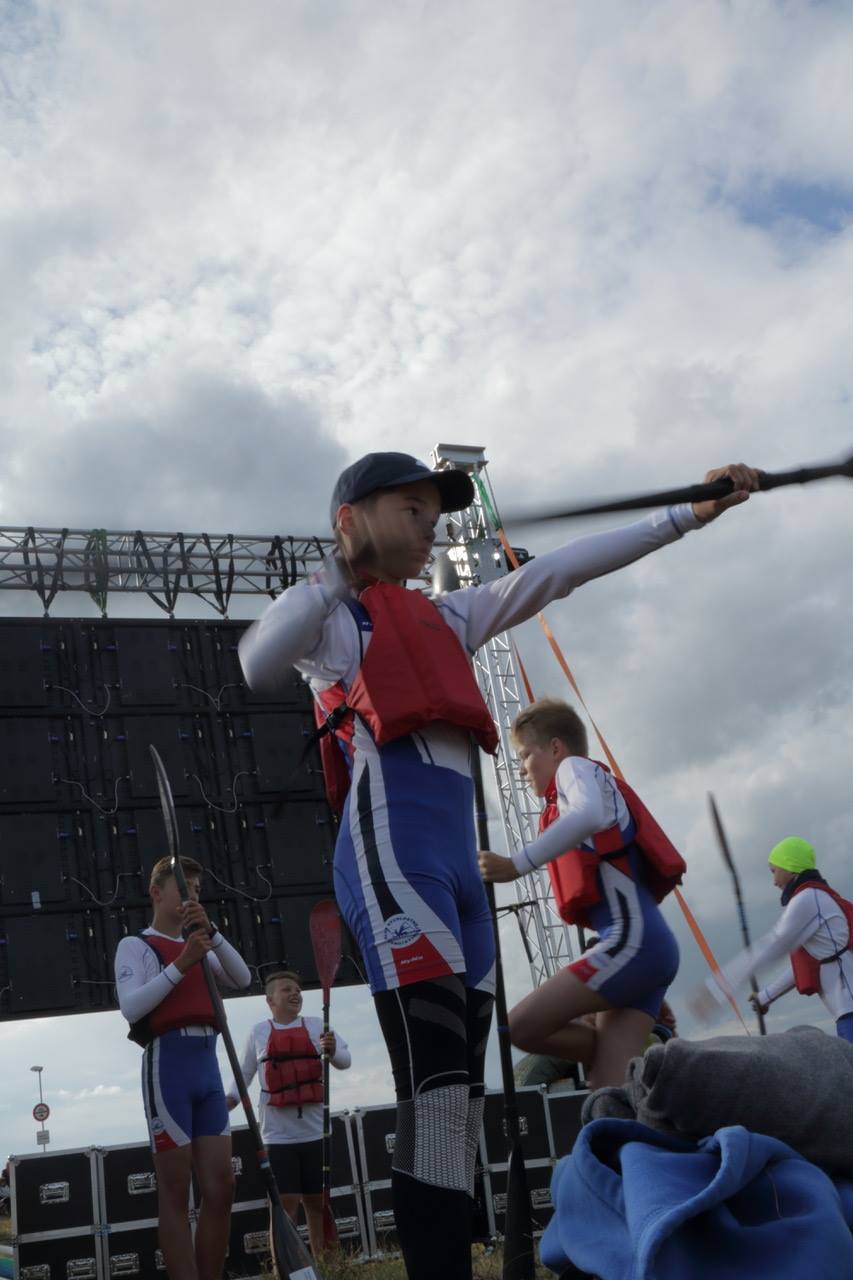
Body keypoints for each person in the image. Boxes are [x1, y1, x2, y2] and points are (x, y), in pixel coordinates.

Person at [238, 450, 758, 1280]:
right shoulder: (333, 623)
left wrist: (688, 514)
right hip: (393, 854)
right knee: (437, 1087)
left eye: (432, 511)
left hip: (460, 878)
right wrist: (336, 571)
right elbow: (257, 660)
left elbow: (559, 572)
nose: (429, 524)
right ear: (351, 517)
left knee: (458, 1104)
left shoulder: (451, 617)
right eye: (409, 509)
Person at [479, 698, 685, 1089]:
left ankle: (646, 1063)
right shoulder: (576, 798)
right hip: (642, 947)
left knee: (520, 1026)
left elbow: (588, 814)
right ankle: (640, 1064)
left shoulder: (576, 768)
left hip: (633, 945)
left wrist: (515, 865)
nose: (522, 770)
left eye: (525, 756)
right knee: (609, 1092)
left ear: (555, 748)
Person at [114, 855, 252, 1280]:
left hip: (207, 1066)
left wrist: (210, 934)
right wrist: (182, 962)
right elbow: (131, 1007)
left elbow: (243, 978)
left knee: (221, 1187)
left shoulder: (202, 945)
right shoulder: (135, 945)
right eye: (184, 887)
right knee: (175, 1193)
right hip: (167, 1067)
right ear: (156, 892)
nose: (192, 894)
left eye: (197, 888)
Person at [225, 969, 351, 1258]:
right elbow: (242, 1076)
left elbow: (345, 1060)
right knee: (285, 1205)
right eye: (286, 990)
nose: (295, 993)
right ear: (270, 1000)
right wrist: (225, 1105)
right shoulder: (258, 1032)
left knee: (318, 1203)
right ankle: (288, 1268)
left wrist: (332, 1052)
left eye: (297, 989)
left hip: (315, 1131)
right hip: (278, 1136)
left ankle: (327, 1269)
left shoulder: (318, 1025)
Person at [694, 837, 853, 1041]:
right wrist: (765, 997)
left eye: (774, 871)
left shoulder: (808, 899)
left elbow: (771, 947)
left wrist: (717, 988)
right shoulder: (817, 897)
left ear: (791, 867)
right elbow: (801, 968)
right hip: (846, 1011)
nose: (774, 881)